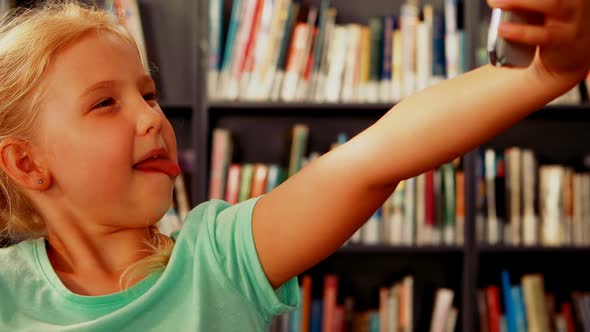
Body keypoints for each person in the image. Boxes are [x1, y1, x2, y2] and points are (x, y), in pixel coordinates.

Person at [0, 0, 588, 330]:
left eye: (149, 95)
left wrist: (547, 73)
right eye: (106, 102)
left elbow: (374, 158)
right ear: (26, 162)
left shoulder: (221, 257)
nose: (152, 119)